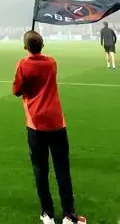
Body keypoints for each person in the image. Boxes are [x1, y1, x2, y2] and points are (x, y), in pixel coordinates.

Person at [12, 31, 86, 224]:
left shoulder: (23, 64)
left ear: (25, 47)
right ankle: (69, 215)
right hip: (56, 123)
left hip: (35, 125)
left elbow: (16, 90)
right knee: (62, 169)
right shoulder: (51, 62)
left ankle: (47, 214)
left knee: (40, 170)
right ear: (43, 45)